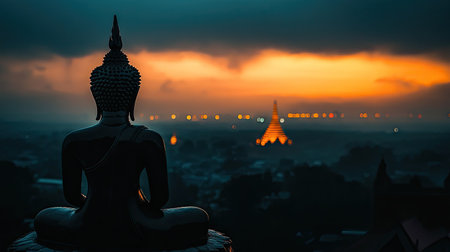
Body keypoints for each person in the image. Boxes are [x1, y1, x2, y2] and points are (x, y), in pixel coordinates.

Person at [34, 15, 209, 249]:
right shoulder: (148, 140)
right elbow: (159, 200)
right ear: (133, 96)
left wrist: (100, 210)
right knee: (198, 216)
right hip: (140, 223)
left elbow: (73, 198)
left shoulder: (74, 141)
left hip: (87, 223)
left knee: (45, 216)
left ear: (96, 96)